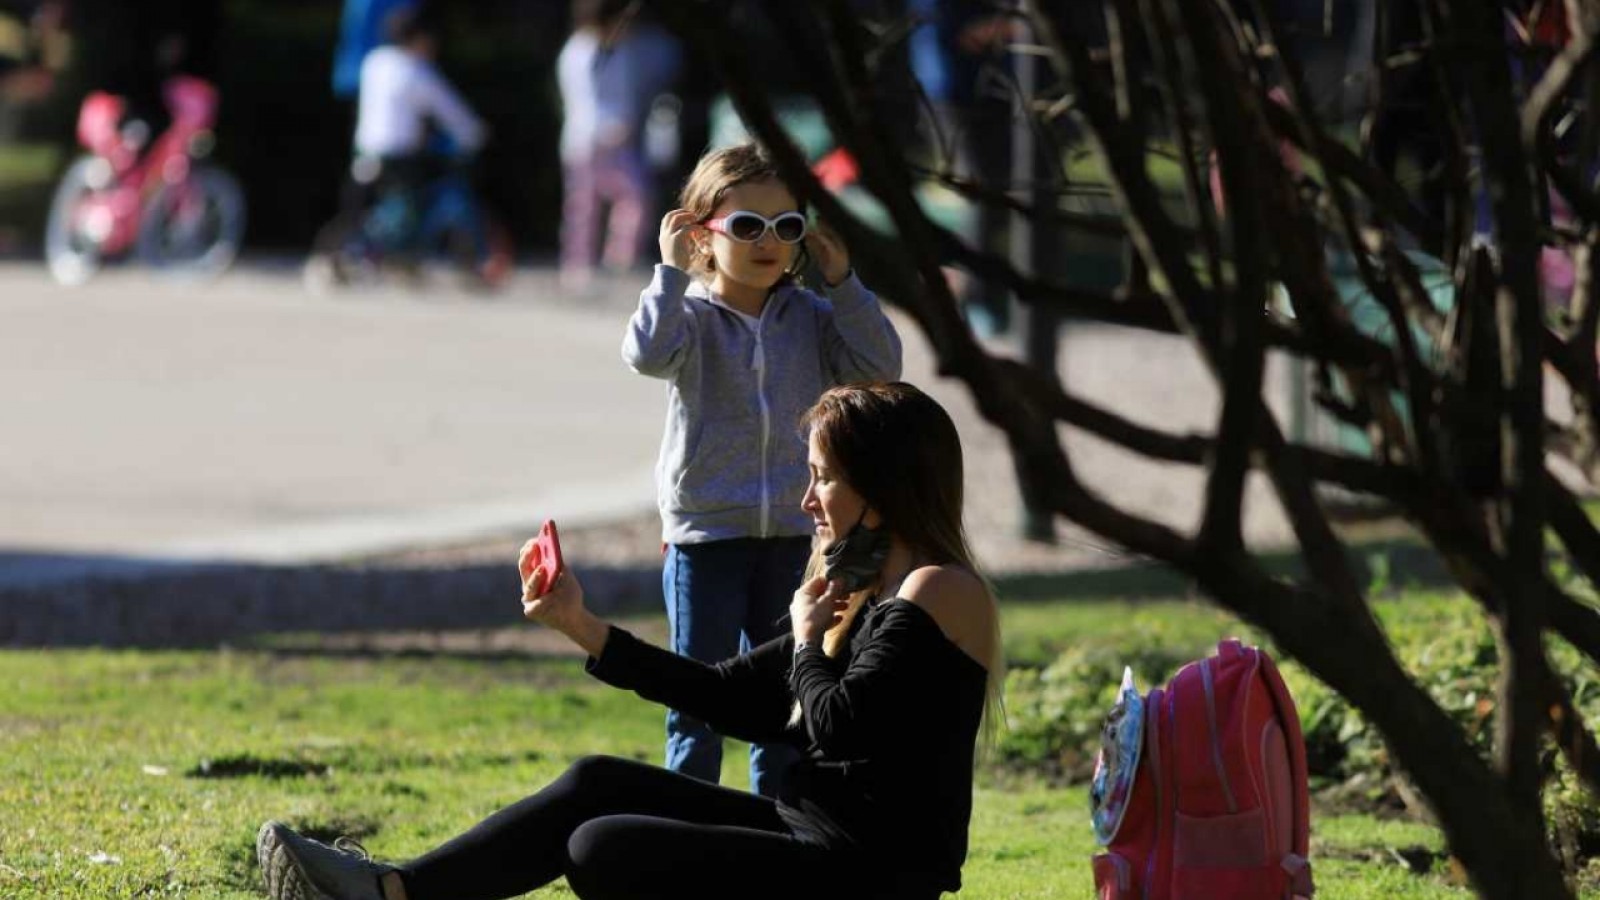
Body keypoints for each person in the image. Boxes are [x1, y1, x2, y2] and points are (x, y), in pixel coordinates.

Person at [257, 380, 1003, 900]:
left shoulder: (939, 590)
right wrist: (580, 626)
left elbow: (840, 726)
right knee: (595, 782)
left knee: (603, 848)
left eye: (824, 480)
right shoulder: (859, 589)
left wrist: (809, 642)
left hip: (868, 874)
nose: (807, 500)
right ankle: (396, 891)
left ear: (885, 487)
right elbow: (728, 696)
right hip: (807, 828)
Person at [623, 141, 902, 797]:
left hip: (792, 536)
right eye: (747, 226)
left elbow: (880, 368)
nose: (767, 241)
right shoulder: (688, 318)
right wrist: (666, 274)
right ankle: (687, 832)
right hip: (706, 536)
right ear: (701, 235)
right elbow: (645, 354)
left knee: (786, 699)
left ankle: (775, 836)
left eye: (787, 226)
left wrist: (844, 283)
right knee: (698, 700)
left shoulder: (811, 315)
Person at [556, 0, 682, 290]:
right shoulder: (591, 51)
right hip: (600, 138)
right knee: (615, 200)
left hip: (593, 139)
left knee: (601, 203)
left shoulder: (594, 49)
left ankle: (598, 261)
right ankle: (599, 262)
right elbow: (594, 98)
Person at [350, 5, 489, 267]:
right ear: (420, 38)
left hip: (365, 150)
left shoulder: (375, 62)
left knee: (397, 199)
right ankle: (397, 250)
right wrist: (475, 134)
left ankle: (391, 252)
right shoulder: (416, 69)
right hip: (400, 155)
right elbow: (452, 112)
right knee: (424, 193)